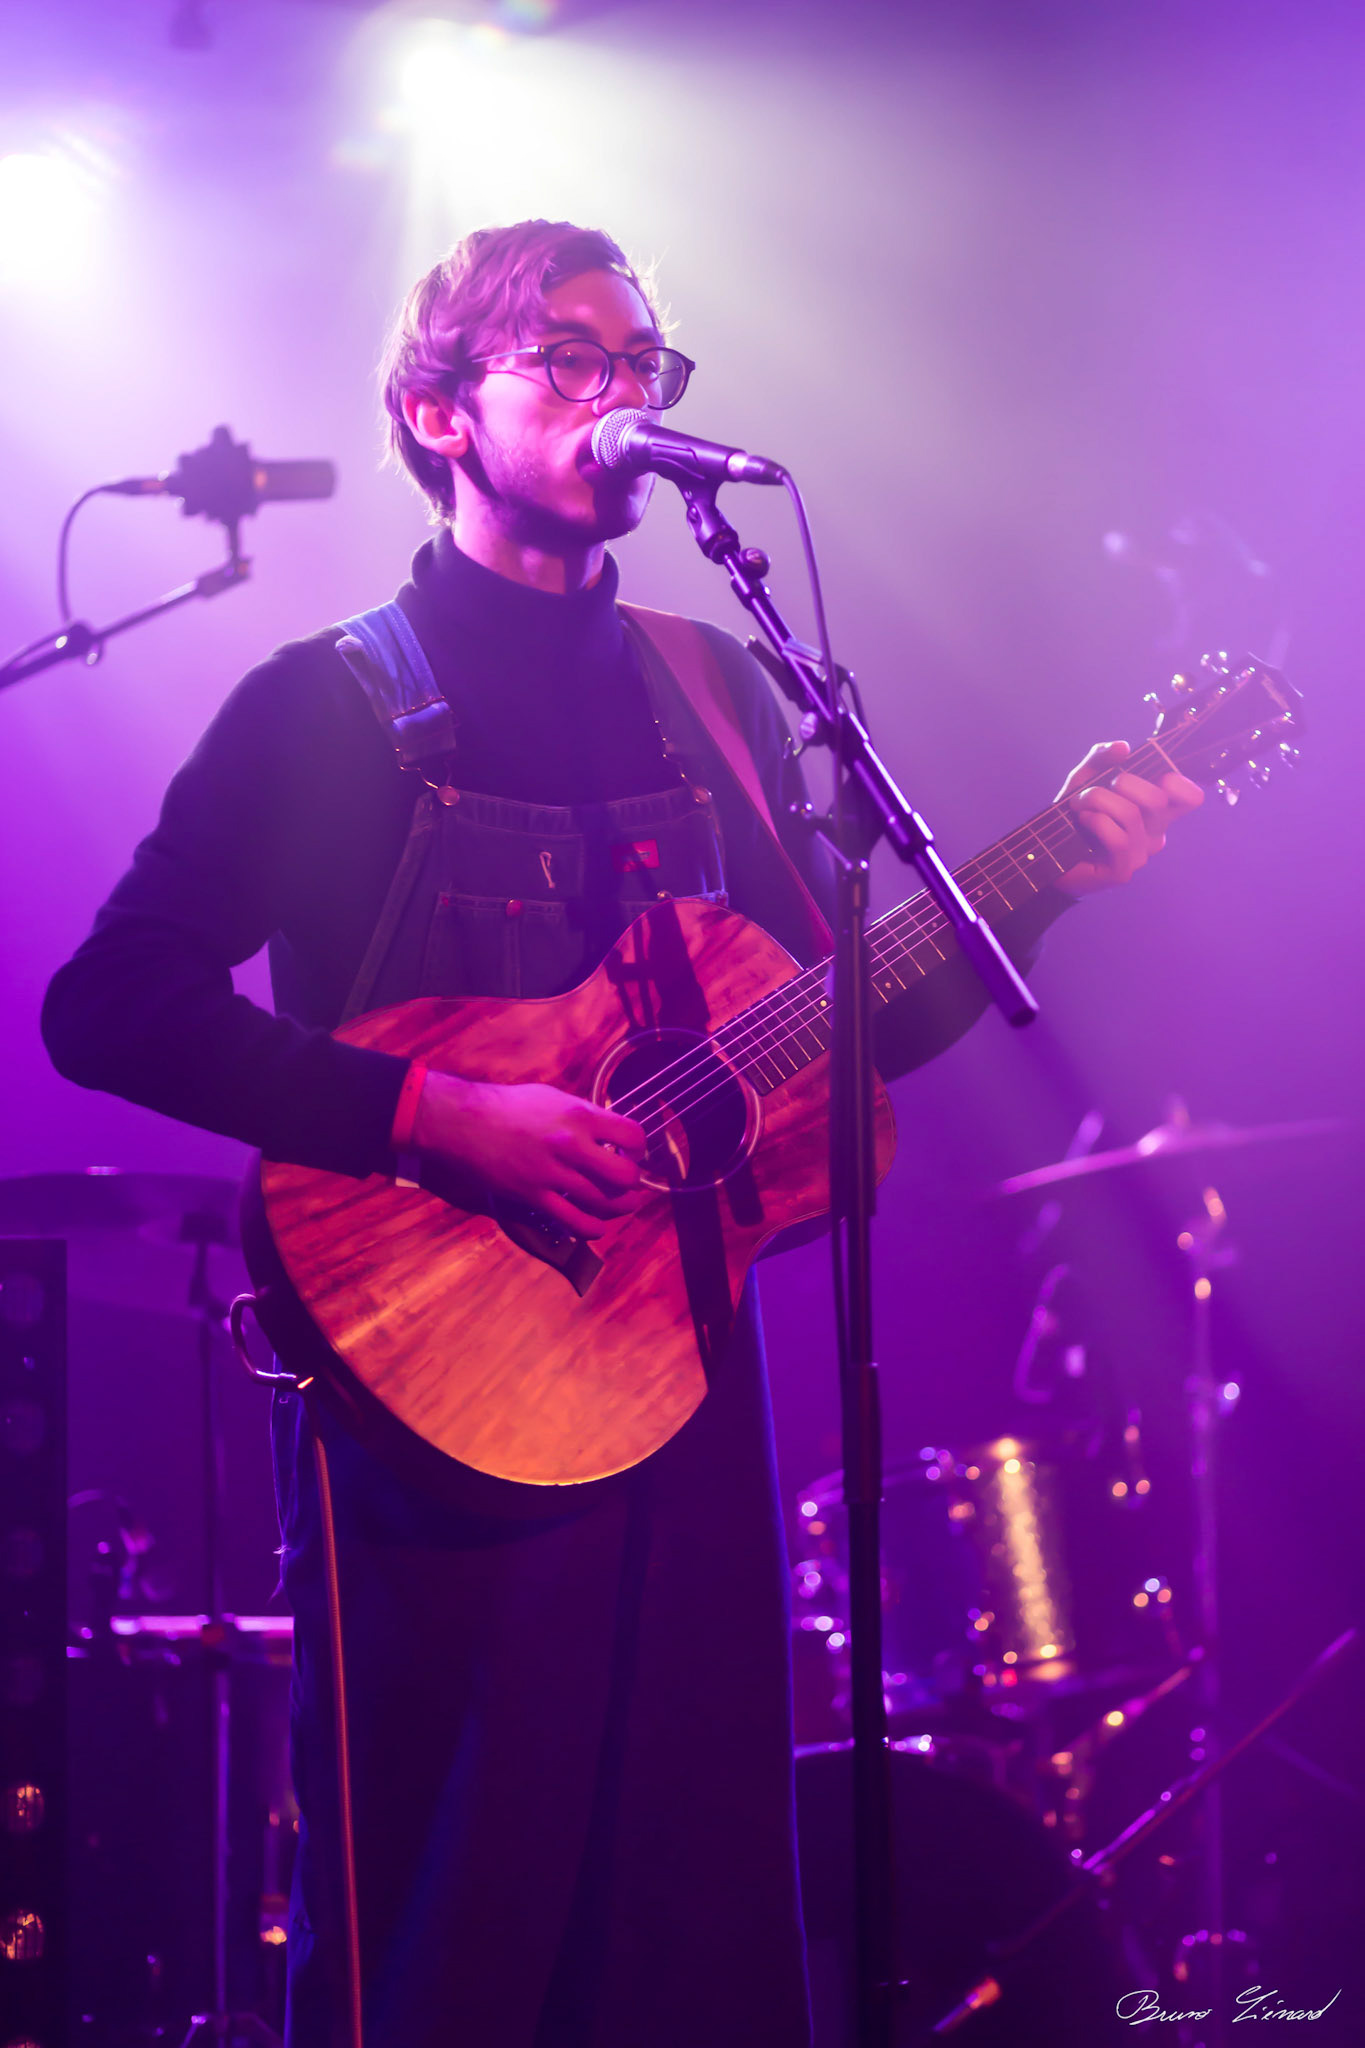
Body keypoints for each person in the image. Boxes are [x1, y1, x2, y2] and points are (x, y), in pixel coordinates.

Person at [42, 219, 1202, 2047]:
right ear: (439, 411)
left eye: (641, 364)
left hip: (675, 1367)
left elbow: (817, 1038)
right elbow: (107, 1004)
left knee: (693, 1912)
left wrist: (1045, 879)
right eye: (569, 359)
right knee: (451, 1918)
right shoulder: (323, 703)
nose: (621, 396)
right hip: (427, 1387)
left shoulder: (713, 688)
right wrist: (436, 1115)